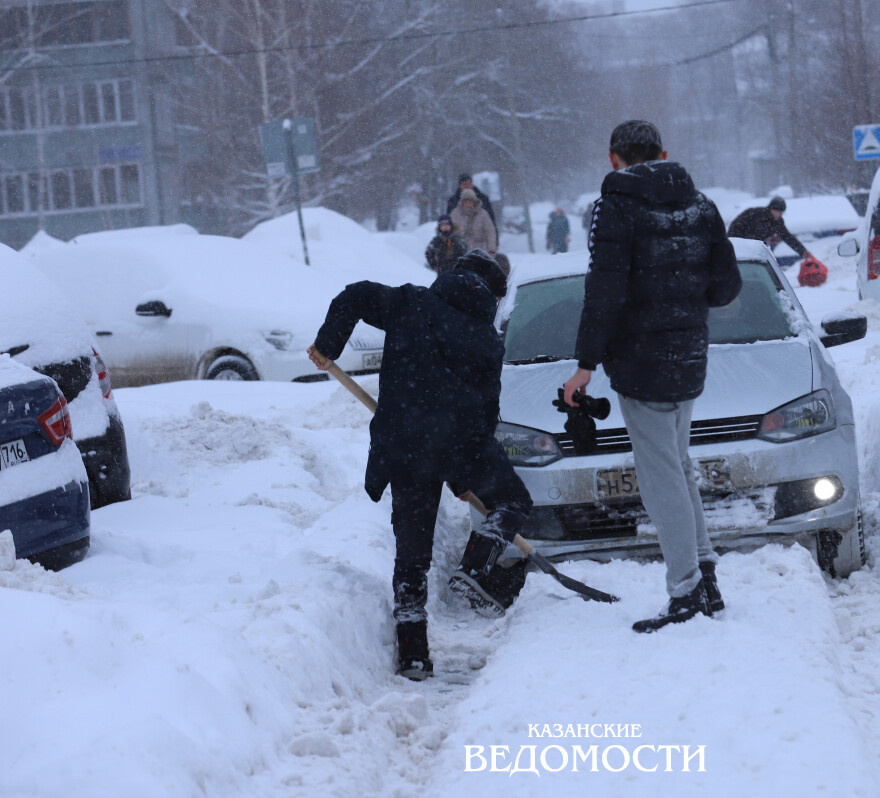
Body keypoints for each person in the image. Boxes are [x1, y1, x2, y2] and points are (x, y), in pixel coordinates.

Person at [307, 249, 532, 680]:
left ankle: (413, 655)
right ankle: (475, 566)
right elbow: (487, 412)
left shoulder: (409, 302)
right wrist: (471, 475)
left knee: (412, 555)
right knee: (513, 501)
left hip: (406, 444)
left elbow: (354, 296)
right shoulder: (488, 339)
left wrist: (327, 345)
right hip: (459, 444)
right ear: (495, 295)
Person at [561, 120, 742, 633]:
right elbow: (726, 286)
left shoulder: (615, 208)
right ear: (662, 153)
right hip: (689, 356)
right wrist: (684, 301)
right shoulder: (701, 205)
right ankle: (705, 577)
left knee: (661, 475)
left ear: (614, 158)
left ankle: (685, 589)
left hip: (641, 362)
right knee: (679, 466)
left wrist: (584, 366)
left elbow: (605, 292)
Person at [728, 197, 828, 287]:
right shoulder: (758, 216)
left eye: (782, 212)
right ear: (771, 209)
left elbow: (787, 236)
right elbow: (752, 235)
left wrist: (802, 251)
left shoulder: (778, 221)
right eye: (778, 211)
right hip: (739, 244)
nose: (780, 214)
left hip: (754, 248)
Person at [449, 188, 498, 255]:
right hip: (459, 251)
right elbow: (449, 232)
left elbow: (490, 232)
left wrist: (491, 250)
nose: (468, 205)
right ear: (462, 202)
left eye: (470, 202)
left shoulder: (483, 214)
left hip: (480, 250)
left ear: (475, 202)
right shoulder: (454, 214)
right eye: (466, 202)